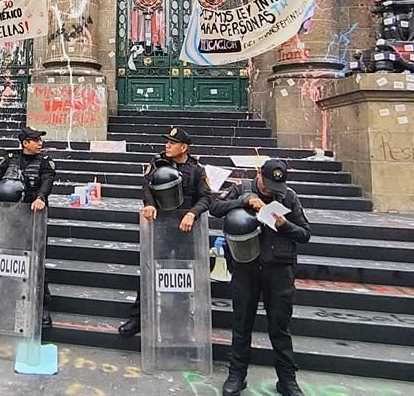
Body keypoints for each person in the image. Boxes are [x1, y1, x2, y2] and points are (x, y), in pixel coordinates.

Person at [209, 159, 311, 396]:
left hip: (279, 270)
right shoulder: (241, 189)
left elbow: (305, 234)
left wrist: (285, 224)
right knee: (241, 324)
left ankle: (287, 380)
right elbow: (215, 208)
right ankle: (237, 375)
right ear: (258, 175)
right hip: (246, 268)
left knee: (280, 327)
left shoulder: (289, 197)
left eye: (274, 188)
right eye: (265, 186)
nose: (269, 191)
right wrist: (244, 201)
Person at [118, 126, 212, 337]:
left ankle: (180, 326)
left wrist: (193, 213)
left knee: (181, 277)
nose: (167, 146)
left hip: (185, 231)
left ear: (184, 147)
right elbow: (147, 186)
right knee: (150, 272)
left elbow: (207, 197)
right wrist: (149, 204)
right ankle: (138, 319)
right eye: (166, 142)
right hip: (161, 228)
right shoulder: (157, 162)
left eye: (172, 143)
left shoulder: (197, 170)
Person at [0, 126, 56, 330]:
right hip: (9, 219)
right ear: (25, 143)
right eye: (36, 140)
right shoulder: (10, 159)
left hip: (33, 220)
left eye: (40, 139)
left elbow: (47, 183)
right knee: (6, 260)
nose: (40, 143)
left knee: (37, 263)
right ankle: (2, 306)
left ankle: (42, 309)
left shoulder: (45, 163)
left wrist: (41, 198)